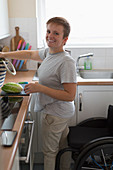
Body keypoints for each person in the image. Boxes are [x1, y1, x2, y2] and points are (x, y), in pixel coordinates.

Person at [0, 17, 77, 170]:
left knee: (49, 152)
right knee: (63, 146)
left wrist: (39, 88)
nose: (50, 36)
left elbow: (70, 95)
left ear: (65, 39)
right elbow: (29, 55)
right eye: (48, 31)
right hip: (60, 113)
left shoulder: (66, 62)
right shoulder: (50, 53)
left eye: (56, 33)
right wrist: (3, 56)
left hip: (55, 114)